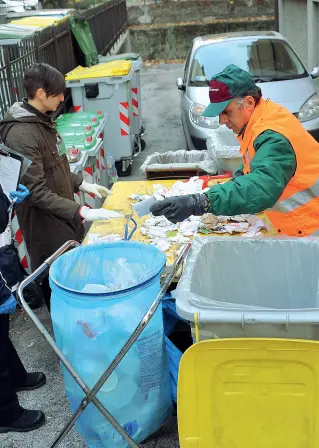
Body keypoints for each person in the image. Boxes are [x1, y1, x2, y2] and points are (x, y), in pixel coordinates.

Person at [150, 64, 319, 237]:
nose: (222, 120)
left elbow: (260, 188)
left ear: (249, 103)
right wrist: (239, 177)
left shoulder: (272, 136)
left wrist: (199, 202)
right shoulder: (260, 118)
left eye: (227, 112)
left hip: (312, 231)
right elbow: (258, 167)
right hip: (297, 227)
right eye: (219, 113)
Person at [0, 63, 117, 308]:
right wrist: (81, 211)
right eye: (58, 93)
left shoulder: (43, 122)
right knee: (58, 282)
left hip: (63, 215)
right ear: (41, 94)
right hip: (46, 225)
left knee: (75, 277)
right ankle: (63, 331)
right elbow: (36, 192)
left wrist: (82, 184)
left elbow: (58, 166)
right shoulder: (21, 135)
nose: (63, 98)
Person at [0, 183, 46, 434]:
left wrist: (7, 199)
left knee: (2, 335)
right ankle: (6, 413)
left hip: (2, 260)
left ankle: (16, 377)